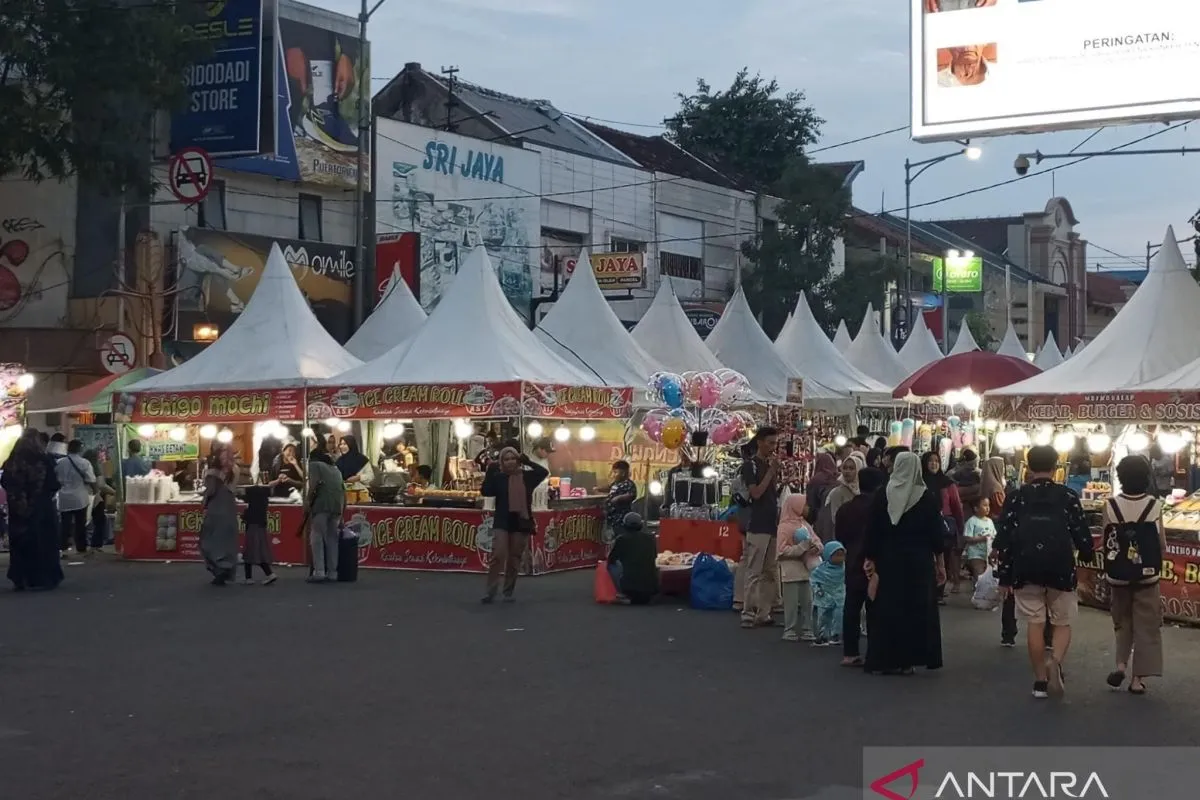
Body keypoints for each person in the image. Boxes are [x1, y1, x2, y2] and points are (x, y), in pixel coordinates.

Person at [992, 445, 1094, 699]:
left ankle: (1039, 681)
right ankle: (1055, 660)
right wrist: (1086, 557)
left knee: (1035, 624)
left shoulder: (1016, 496)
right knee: (1062, 621)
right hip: (1060, 565)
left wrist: (1003, 574)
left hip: (1025, 566)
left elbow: (1004, 537)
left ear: (1028, 467)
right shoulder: (1068, 496)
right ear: (1055, 467)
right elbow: (1082, 534)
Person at [863, 452, 946, 675]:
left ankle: (886, 658)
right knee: (915, 609)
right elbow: (936, 535)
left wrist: (870, 558)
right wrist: (941, 564)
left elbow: (872, 530)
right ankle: (909, 659)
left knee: (889, 608)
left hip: (889, 560)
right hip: (919, 562)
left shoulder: (883, 495)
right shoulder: (926, 497)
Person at [1101, 455, 1166, 695]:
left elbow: (1107, 541)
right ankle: (1137, 679)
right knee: (1147, 625)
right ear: (1146, 477)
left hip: (1118, 575)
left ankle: (1120, 665)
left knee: (1123, 622)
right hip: (1147, 576)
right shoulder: (1155, 505)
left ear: (1120, 478)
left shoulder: (1109, 505)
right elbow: (1162, 544)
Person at [480, 447, 547, 603]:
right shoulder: (498, 477)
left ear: (518, 460)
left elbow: (543, 472)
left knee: (514, 558)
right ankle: (490, 591)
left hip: (521, 521)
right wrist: (490, 470)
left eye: (513, 459)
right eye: (506, 459)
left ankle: (507, 591)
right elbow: (485, 491)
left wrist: (528, 462)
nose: (510, 462)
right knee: (498, 555)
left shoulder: (527, 477)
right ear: (502, 462)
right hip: (502, 521)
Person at [1, 429, 64, 591]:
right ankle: (45, 577)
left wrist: (19, 498)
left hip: (18, 508)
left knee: (21, 542)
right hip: (41, 508)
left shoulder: (13, 461)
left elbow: (6, 481)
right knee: (44, 542)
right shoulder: (44, 459)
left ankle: (20, 577)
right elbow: (53, 484)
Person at [838, 467, 885, 666]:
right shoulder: (881, 509)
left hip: (852, 561)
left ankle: (850, 652)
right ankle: (874, 652)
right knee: (875, 608)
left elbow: (840, 537)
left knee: (851, 607)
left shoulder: (846, 508)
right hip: (876, 561)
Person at [739, 427, 781, 628]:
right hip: (757, 524)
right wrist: (771, 472)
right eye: (770, 443)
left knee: (770, 572)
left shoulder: (767, 464)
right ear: (760, 442)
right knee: (754, 570)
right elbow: (755, 493)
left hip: (772, 524)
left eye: (775, 443)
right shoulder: (751, 466)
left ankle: (764, 612)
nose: (774, 447)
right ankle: (748, 612)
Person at [777, 494, 819, 642]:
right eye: (804, 504)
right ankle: (790, 629)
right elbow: (781, 551)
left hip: (806, 572)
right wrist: (801, 548)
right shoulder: (784, 526)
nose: (807, 508)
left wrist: (816, 548)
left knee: (808, 602)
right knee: (791, 604)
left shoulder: (805, 524)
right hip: (790, 572)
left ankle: (808, 628)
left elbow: (816, 541)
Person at [199, 445, 239, 586]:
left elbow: (209, 492)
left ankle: (218, 568)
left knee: (209, 540)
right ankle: (227, 568)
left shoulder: (213, 473)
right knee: (227, 542)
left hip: (216, 509)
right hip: (229, 508)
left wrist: (204, 503)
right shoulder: (236, 470)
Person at [306, 450, 345, 583]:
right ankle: (333, 572)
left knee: (316, 537)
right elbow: (343, 491)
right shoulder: (336, 469)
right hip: (336, 505)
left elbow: (313, 484)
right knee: (332, 539)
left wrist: (307, 500)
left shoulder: (315, 465)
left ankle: (319, 571)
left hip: (321, 505)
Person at [55, 439, 96, 557]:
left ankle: (62, 547)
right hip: (80, 497)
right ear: (79, 449)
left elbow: (54, 478)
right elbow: (91, 480)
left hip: (63, 497)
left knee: (64, 524)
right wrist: (95, 492)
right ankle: (81, 547)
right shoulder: (85, 463)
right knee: (80, 524)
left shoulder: (59, 462)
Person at [606, 512, 658, 605]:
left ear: (625, 525)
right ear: (641, 525)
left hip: (629, 587)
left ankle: (621, 591)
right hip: (651, 587)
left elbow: (611, 559)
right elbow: (654, 556)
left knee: (612, 565)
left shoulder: (621, 539)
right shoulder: (650, 538)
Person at [240, 475, 280, 586]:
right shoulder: (263, 501)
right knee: (260, 552)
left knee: (249, 552)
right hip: (261, 526)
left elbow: (246, 514)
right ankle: (269, 574)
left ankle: (249, 577)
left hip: (252, 527)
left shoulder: (252, 504)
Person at [811, 541, 847, 647]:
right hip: (824, 596)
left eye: (842, 555)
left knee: (839, 616)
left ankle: (836, 635)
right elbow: (813, 580)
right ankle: (822, 636)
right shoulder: (820, 570)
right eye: (836, 555)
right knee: (823, 617)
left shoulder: (845, 568)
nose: (840, 558)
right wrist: (817, 590)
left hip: (840, 596)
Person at [819, 455, 862, 541]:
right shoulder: (837, 492)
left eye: (851, 468)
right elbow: (835, 519)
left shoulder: (863, 490)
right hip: (843, 537)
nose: (847, 471)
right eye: (845, 468)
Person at [83, 449, 116, 551]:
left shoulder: (82, 466)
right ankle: (96, 544)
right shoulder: (95, 468)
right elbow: (101, 485)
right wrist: (114, 492)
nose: (102, 459)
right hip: (95, 498)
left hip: (82, 497)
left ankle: (84, 544)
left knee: (84, 522)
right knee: (100, 521)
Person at [600, 461, 637, 540]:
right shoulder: (615, 483)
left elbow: (631, 495)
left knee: (620, 539)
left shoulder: (629, 484)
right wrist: (598, 489)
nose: (613, 475)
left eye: (615, 472)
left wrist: (618, 498)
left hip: (620, 519)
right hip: (611, 519)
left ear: (623, 473)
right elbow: (608, 488)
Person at [963, 497, 996, 582]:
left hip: (988, 554)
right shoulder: (972, 521)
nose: (987, 508)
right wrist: (982, 538)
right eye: (984, 505)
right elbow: (967, 538)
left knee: (990, 577)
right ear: (976, 508)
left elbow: (994, 535)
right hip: (976, 554)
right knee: (979, 576)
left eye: (988, 505)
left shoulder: (990, 521)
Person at [805, 453, 839, 524]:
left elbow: (811, 503)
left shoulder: (815, 480)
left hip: (819, 518)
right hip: (836, 517)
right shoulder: (838, 479)